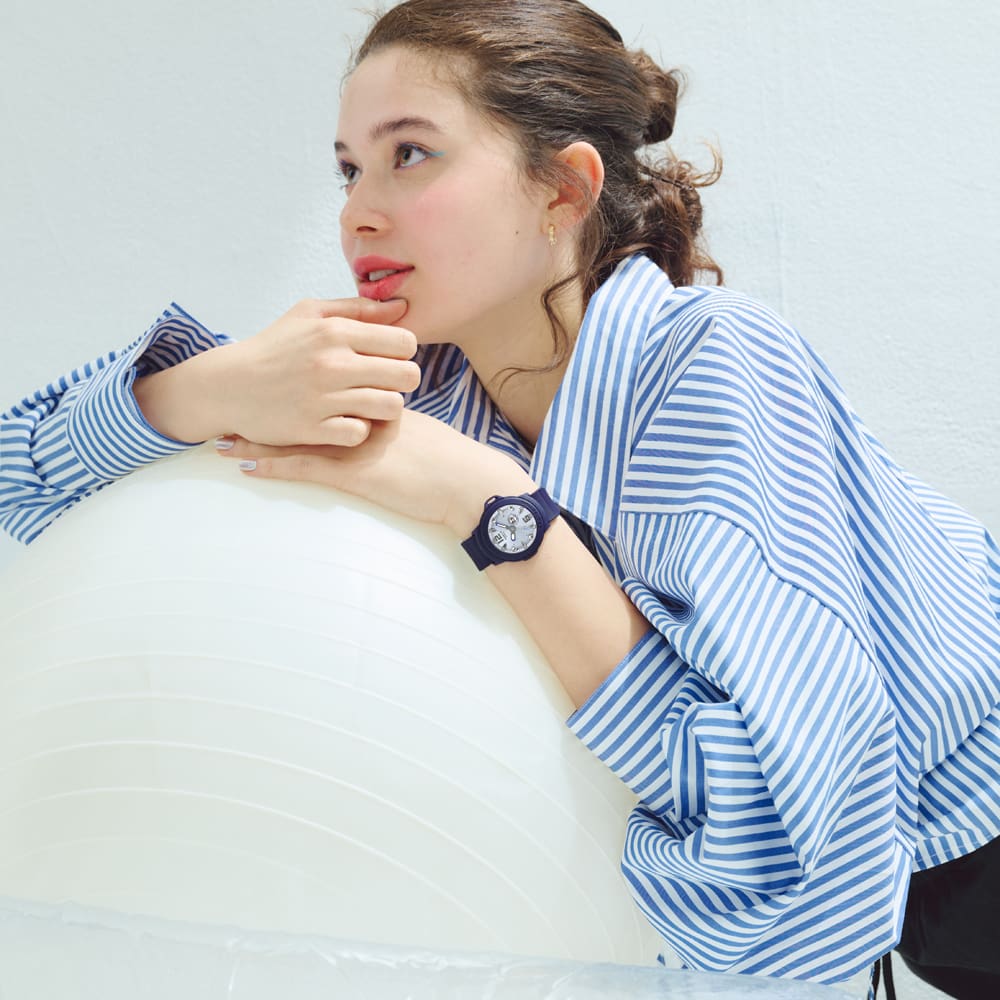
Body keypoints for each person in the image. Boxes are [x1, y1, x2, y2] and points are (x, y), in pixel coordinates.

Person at [2, 1, 998, 996]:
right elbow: (20, 483)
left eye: (412, 155)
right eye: (350, 166)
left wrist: (489, 503)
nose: (358, 210)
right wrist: (196, 390)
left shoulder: (713, 362)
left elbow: (799, 844)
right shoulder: (416, 393)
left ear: (562, 187)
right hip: (918, 898)